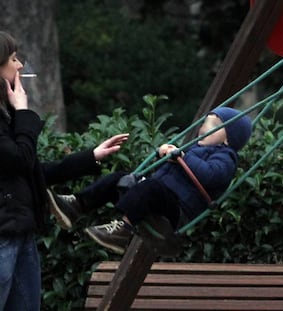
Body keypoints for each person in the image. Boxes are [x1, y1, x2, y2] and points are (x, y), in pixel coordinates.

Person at [0, 31, 129, 311]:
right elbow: (20, 159)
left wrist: (91, 157)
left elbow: (31, 173)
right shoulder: (12, 115)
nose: (21, 65)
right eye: (13, 58)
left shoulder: (6, 114)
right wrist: (24, 112)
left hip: (20, 234)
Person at [47, 107, 253, 255]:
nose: (205, 127)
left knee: (151, 187)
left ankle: (122, 230)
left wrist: (181, 155)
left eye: (215, 124)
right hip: (161, 197)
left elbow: (211, 175)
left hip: (176, 210)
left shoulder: (226, 158)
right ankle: (76, 205)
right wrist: (164, 154)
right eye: (206, 121)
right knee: (120, 178)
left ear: (228, 140)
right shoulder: (195, 148)